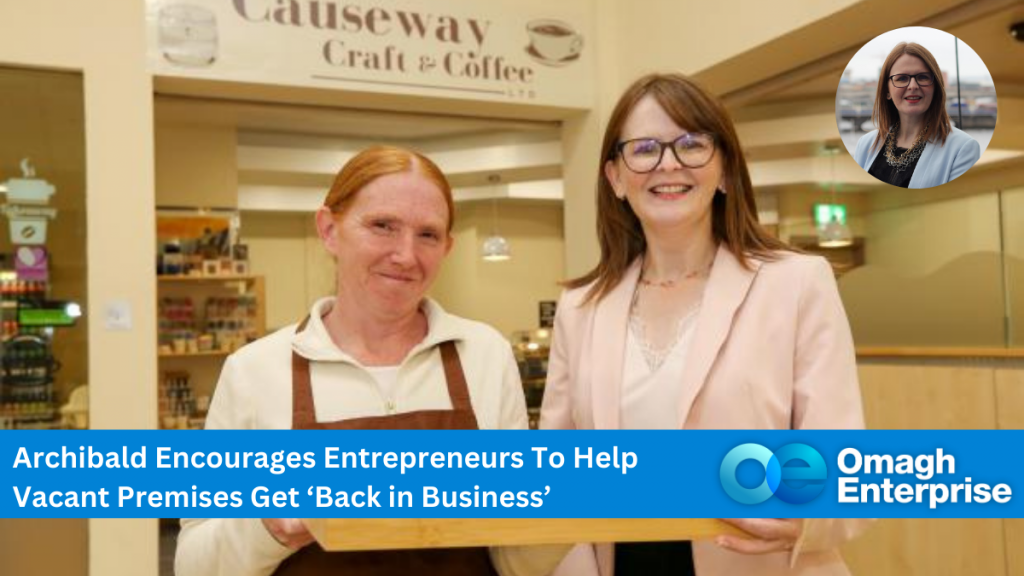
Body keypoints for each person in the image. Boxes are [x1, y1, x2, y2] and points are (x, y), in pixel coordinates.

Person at [175, 145, 564, 576]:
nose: (405, 255)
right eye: (383, 226)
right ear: (329, 229)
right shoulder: (254, 371)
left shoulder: (485, 355)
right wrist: (269, 526)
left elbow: (515, 563)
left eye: (428, 235)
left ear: (447, 246)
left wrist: (558, 516)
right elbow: (195, 565)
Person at [540, 73, 870, 576]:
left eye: (691, 144)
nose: (668, 163)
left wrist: (811, 515)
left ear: (725, 171)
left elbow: (841, 456)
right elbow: (559, 468)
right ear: (615, 178)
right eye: (644, 148)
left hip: (760, 562)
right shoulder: (581, 305)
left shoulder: (797, 283)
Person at [853, 41, 981, 188]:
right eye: (901, 78)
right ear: (887, 91)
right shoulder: (865, 144)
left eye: (922, 77)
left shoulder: (963, 149)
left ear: (935, 88)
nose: (913, 86)